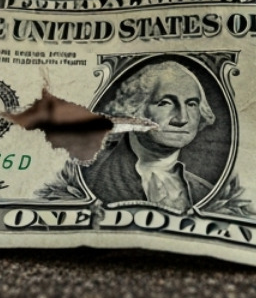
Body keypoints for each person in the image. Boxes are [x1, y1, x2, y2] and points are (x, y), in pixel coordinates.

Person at [82, 60, 218, 210]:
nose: (182, 119)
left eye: (191, 104)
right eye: (165, 103)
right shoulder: (90, 177)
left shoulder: (205, 191)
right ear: (134, 110)